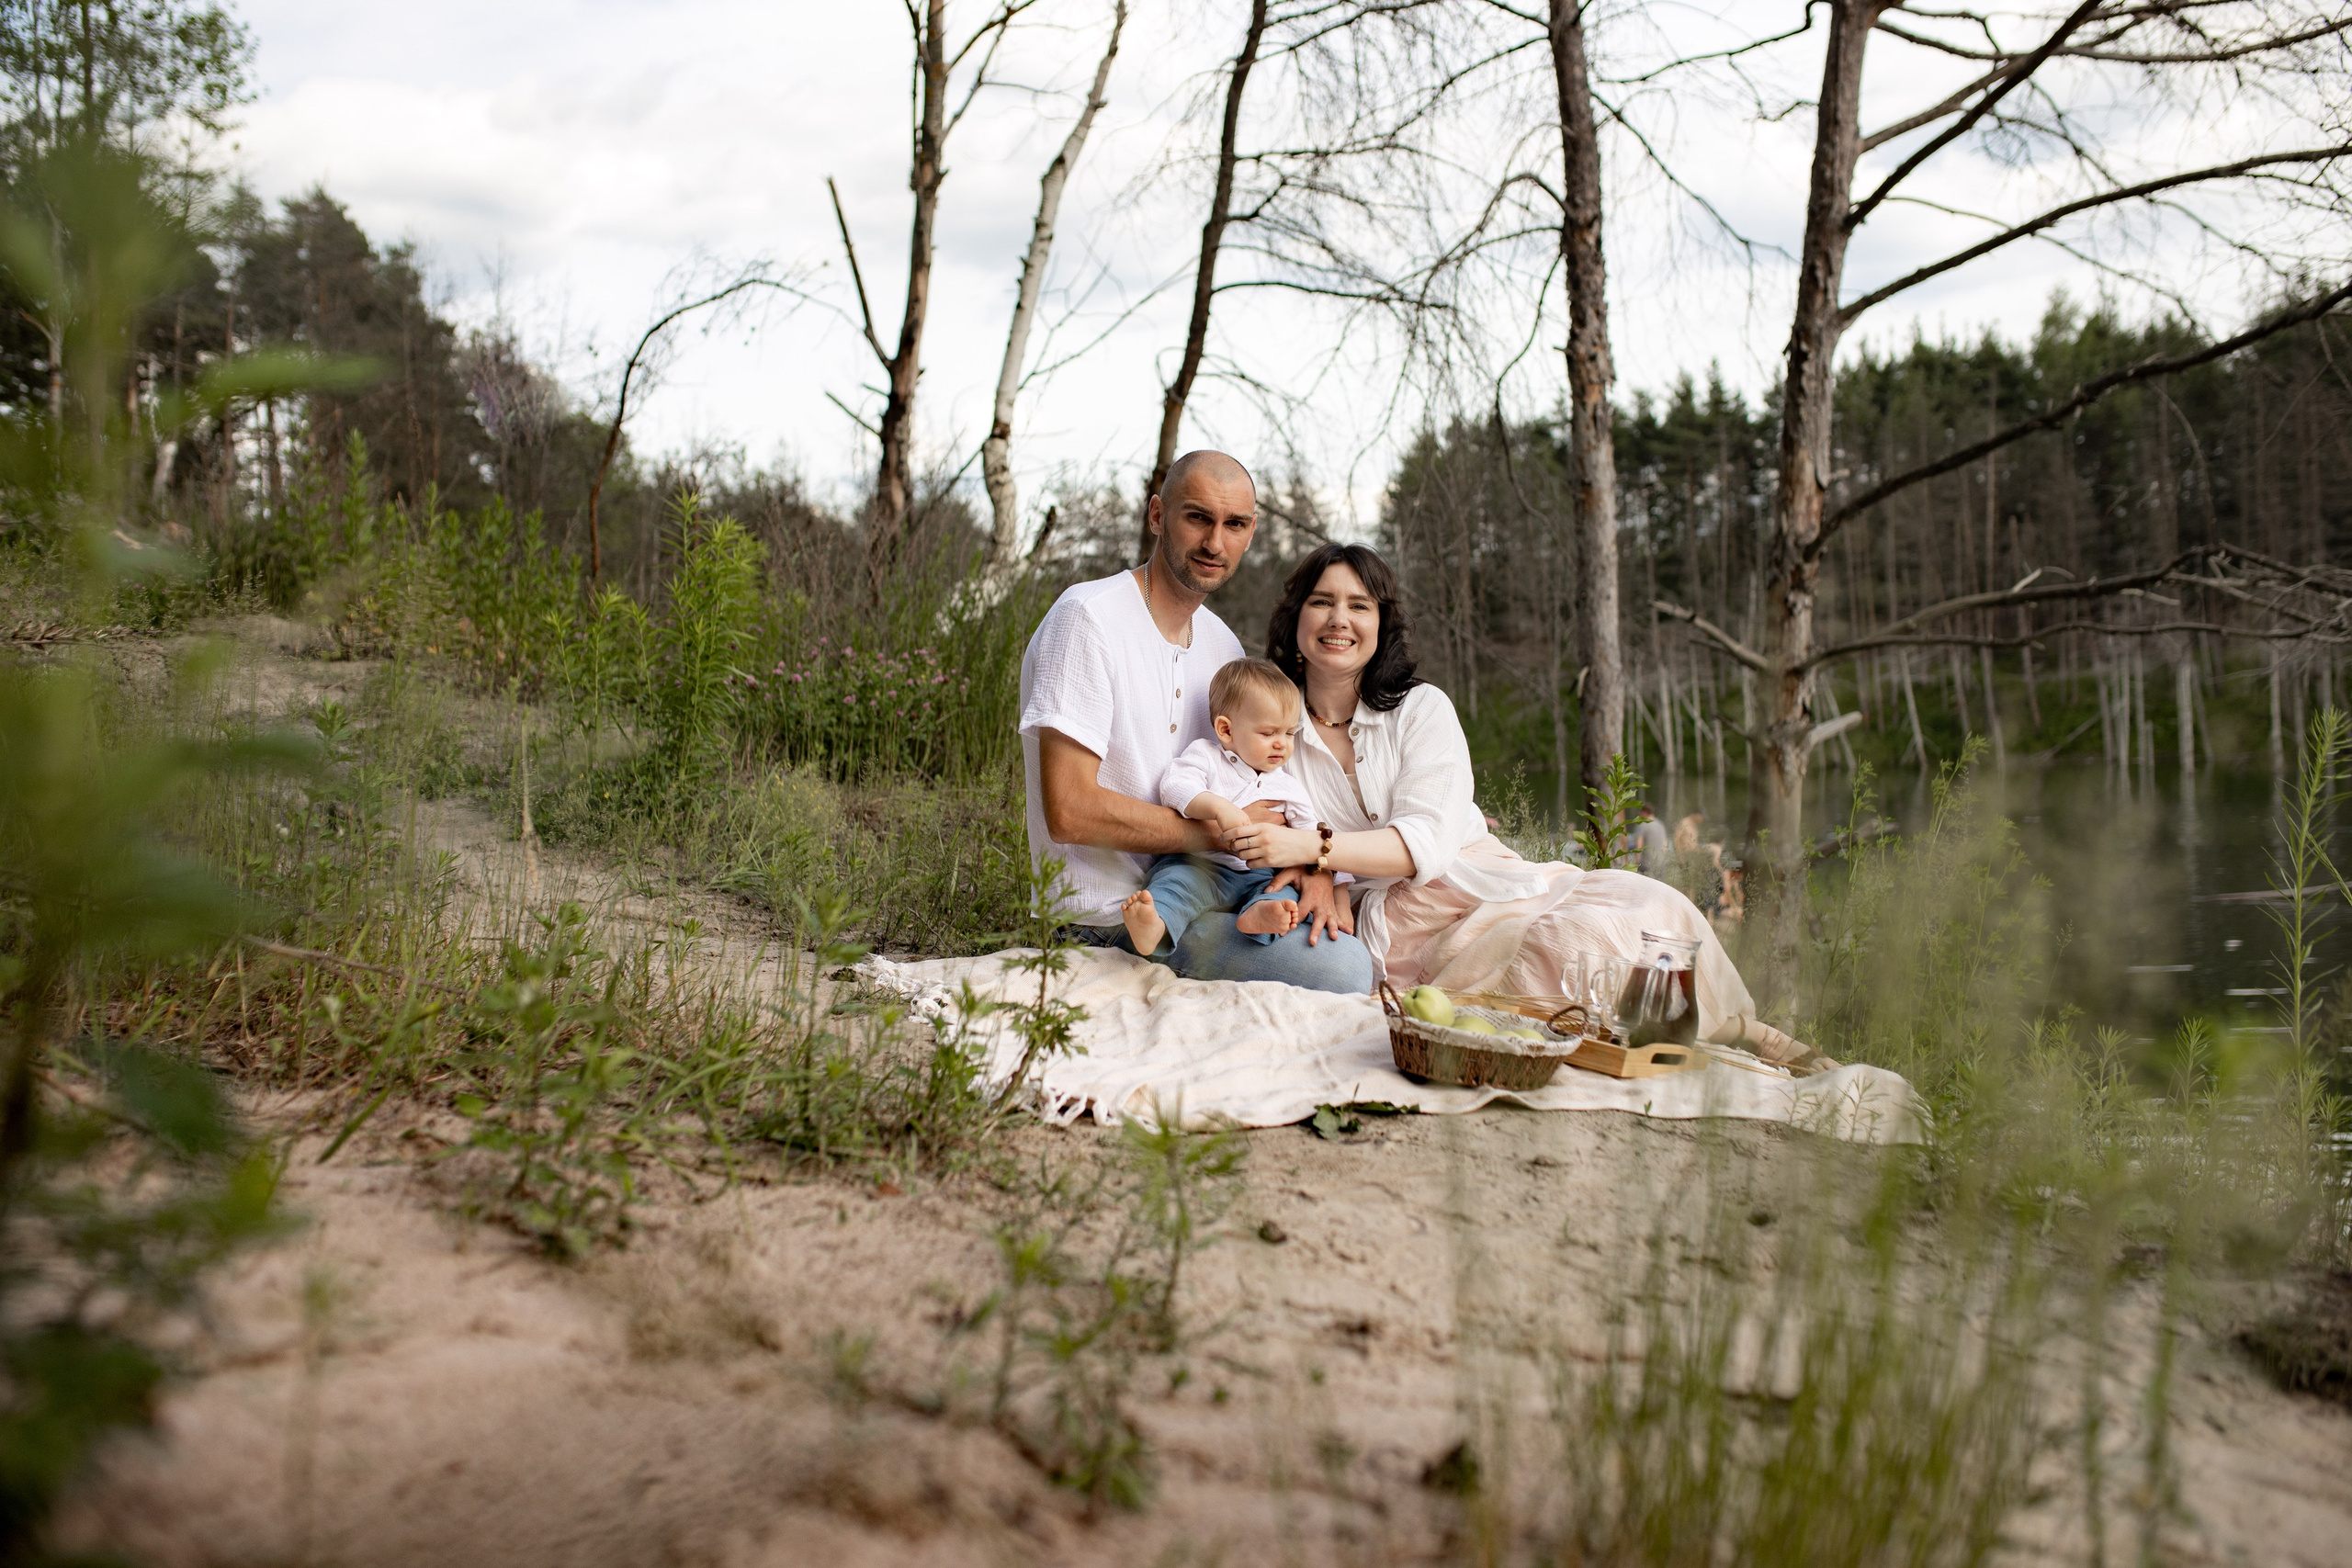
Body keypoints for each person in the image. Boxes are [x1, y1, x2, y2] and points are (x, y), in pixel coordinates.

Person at [1217, 541, 1834, 1072]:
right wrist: (1314, 870)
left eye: (1359, 605)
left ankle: (1737, 1030)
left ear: (1381, 624)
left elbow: (1424, 843)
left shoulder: (1421, 709)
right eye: (1322, 601)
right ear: (1296, 617)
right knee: (1561, 951)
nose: (1339, 619)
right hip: (1392, 921)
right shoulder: (1267, 726)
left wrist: (1317, 852)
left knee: (1649, 905)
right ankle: (1689, 1037)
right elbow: (1256, 820)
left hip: (1474, 878)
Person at [1018, 451, 1374, 993]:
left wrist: (1314, 869)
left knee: (1340, 940)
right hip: (1106, 914)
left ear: (1250, 533)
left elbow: (1243, 781)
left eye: (1234, 525)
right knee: (1344, 969)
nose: (1214, 543)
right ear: (1157, 516)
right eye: (1198, 518)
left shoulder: (1221, 644)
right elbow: (1068, 809)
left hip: (1214, 889)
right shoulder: (1088, 617)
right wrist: (1229, 834)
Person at [1120, 658, 1327, 955]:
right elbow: (1175, 787)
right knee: (1175, 884)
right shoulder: (1206, 756)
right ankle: (1154, 925)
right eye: (1268, 733)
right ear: (1226, 730)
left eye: (1289, 733)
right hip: (1200, 865)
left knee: (1284, 893)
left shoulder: (1288, 787)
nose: (1281, 743)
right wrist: (1219, 807)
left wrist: (1332, 879)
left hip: (1258, 876)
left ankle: (1261, 914)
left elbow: (1312, 836)